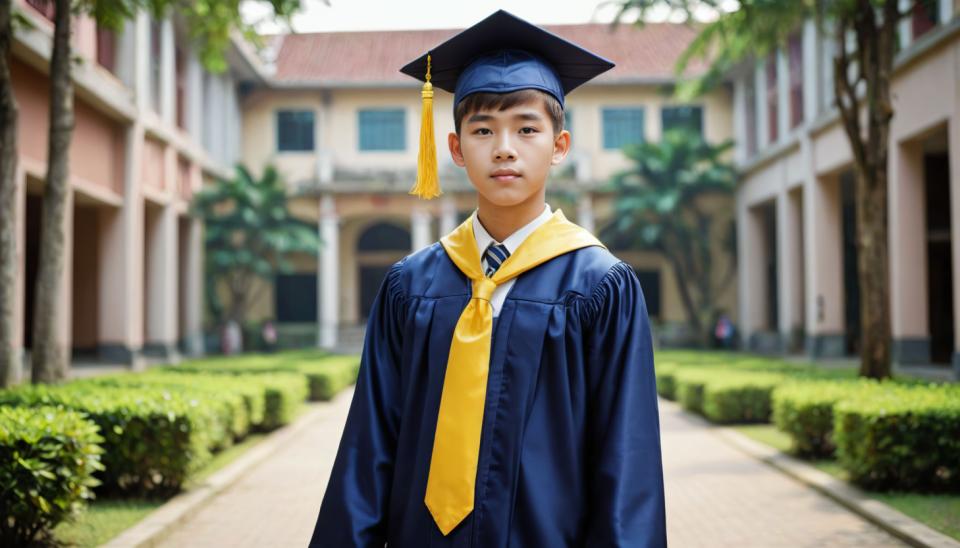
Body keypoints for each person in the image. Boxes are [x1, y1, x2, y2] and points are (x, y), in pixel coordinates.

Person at [309, 10, 666, 547]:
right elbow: (369, 448)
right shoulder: (411, 286)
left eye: (527, 128)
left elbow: (626, 459)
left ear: (559, 146)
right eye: (482, 130)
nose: (504, 147)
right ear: (454, 150)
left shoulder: (600, 287)